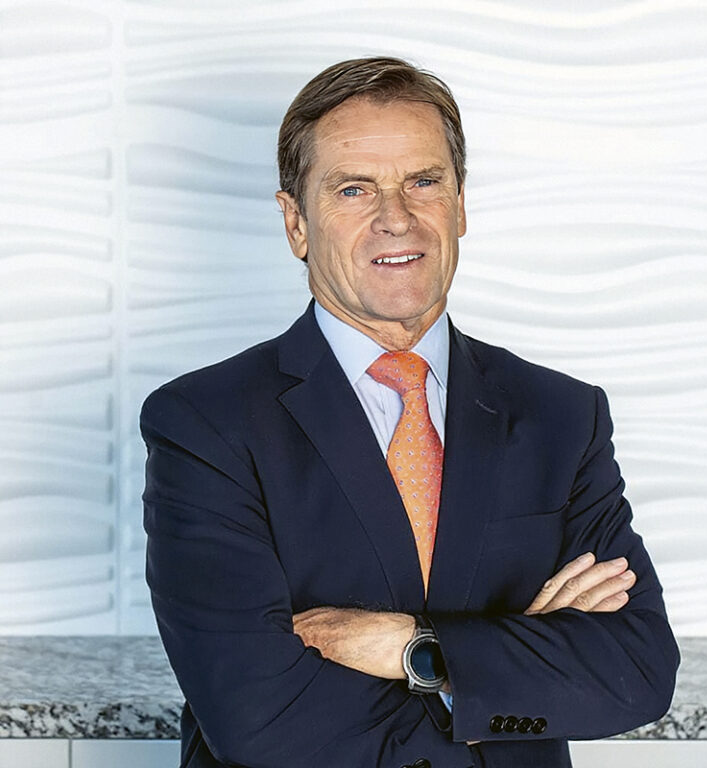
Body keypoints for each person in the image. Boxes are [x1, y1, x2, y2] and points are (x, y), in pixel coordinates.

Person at [141, 57, 679, 768]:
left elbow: (636, 672)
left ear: (460, 205)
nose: (395, 217)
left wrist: (413, 648)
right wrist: (503, 667)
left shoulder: (561, 416)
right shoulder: (204, 425)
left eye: (423, 182)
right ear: (296, 223)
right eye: (354, 189)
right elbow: (256, 718)